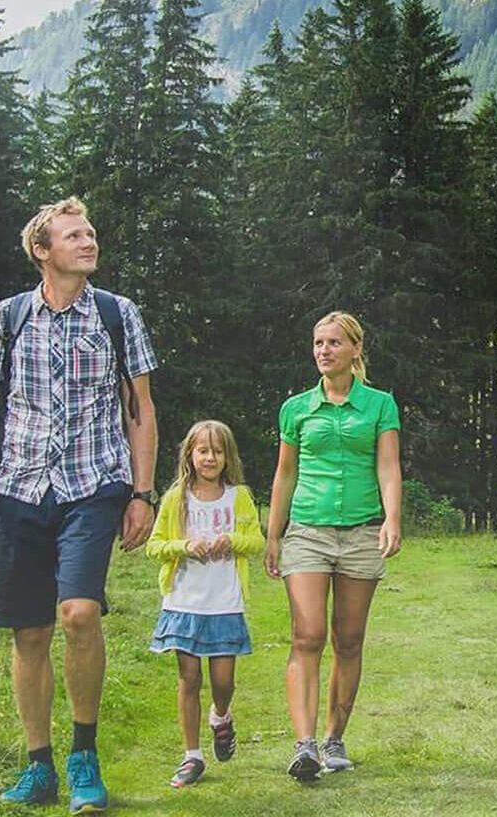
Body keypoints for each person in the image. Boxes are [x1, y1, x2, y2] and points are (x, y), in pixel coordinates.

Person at [0, 197, 160, 813]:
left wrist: (142, 492)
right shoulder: (7, 318)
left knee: (79, 614)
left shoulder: (118, 314)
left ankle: (84, 754)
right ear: (42, 251)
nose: (88, 242)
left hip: (94, 484)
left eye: (91, 232)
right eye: (73, 235)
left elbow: (140, 410)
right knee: (28, 633)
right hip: (18, 489)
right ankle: (39, 767)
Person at [262, 311, 402, 782]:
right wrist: (273, 534)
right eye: (319, 343)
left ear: (355, 349)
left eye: (334, 343)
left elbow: (387, 466)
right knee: (307, 635)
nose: (324, 350)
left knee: (349, 639)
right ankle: (304, 746)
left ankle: (334, 738)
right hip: (307, 532)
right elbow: (285, 474)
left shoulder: (380, 405)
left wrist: (392, 518)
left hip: (362, 532)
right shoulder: (296, 409)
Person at [144, 420, 263, 788]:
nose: (210, 458)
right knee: (189, 678)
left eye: (217, 451)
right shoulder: (175, 499)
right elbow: (154, 546)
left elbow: (255, 541)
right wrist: (183, 547)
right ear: (190, 455)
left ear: (227, 457)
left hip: (225, 603)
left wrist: (232, 541)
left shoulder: (238, 496)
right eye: (203, 450)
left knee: (223, 680)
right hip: (184, 602)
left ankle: (221, 715)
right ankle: (191, 755)